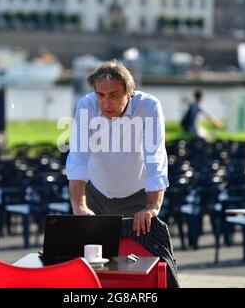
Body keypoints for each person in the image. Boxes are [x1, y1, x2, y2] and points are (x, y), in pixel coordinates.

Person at [66, 60, 179, 288]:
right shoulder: (86, 106)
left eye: (114, 95)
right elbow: (78, 157)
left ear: (130, 92)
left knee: (138, 269)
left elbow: (156, 157)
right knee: (90, 270)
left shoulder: (148, 106)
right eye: (101, 95)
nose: (106, 103)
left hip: (136, 196)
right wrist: (79, 205)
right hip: (95, 194)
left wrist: (152, 206)